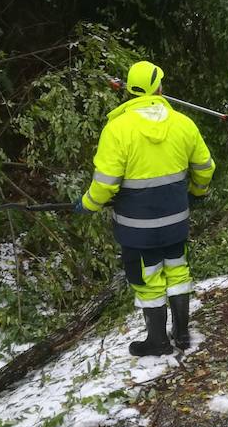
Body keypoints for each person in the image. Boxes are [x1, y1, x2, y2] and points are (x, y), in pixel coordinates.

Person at [74, 60, 215, 356]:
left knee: (148, 280)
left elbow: (105, 182)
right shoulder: (183, 124)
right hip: (177, 221)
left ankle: (158, 342)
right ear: (160, 88)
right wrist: (197, 192)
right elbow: (205, 167)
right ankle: (182, 333)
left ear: (129, 89)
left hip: (137, 228)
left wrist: (88, 204)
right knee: (178, 272)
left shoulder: (117, 129)